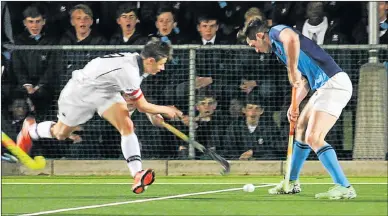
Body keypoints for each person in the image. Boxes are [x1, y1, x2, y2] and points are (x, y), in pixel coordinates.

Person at [16, 38, 183, 194]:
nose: (163, 68)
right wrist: (165, 110)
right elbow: (141, 104)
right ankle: (31, 130)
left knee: (127, 126)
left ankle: (137, 173)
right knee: (61, 133)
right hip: (80, 92)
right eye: (162, 64)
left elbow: (136, 100)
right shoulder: (130, 71)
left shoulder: (138, 63)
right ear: (150, 60)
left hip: (106, 92)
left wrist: (152, 114)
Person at [238, 18, 356, 199]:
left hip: (333, 83)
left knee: (314, 137)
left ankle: (344, 186)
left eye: (254, 44)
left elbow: (292, 39)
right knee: (300, 127)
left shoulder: (277, 31)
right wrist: (294, 105)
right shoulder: (279, 51)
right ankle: (291, 182)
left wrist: (292, 69)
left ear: (261, 36)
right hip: (322, 86)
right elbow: (304, 81)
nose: (256, 49)